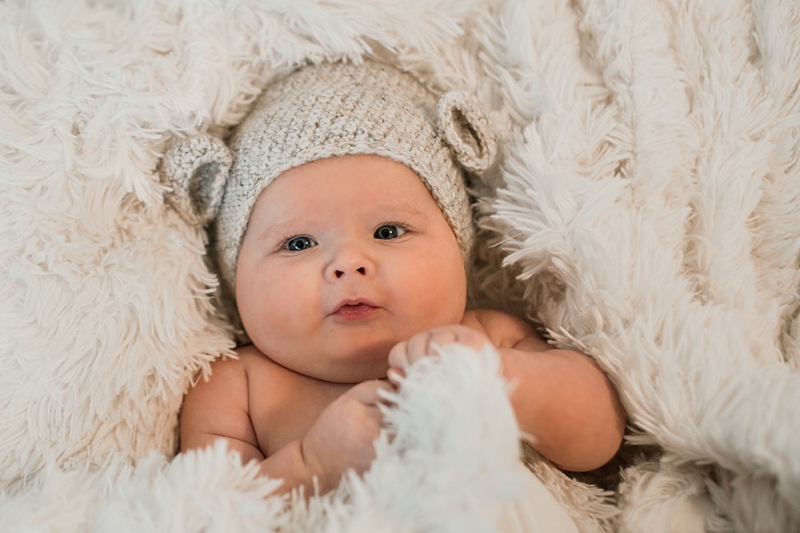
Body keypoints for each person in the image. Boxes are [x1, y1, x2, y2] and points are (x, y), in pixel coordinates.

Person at [165, 60, 625, 500]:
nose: (347, 264)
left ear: (458, 250)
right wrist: (313, 466)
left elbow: (599, 441)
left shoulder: (485, 336)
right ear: (235, 276)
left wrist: (499, 377)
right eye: (299, 243)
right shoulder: (236, 386)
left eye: (388, 232)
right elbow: (210, 511)